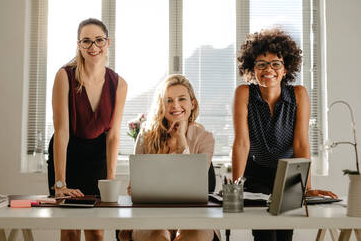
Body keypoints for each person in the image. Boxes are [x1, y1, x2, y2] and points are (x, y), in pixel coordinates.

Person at [232, 28, 337, 241]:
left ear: (285, 68)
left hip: (289, 173)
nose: (268, 69)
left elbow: (301, 143)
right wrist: (235, 187)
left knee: (283, 234)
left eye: (275, 64)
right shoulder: (244, 93)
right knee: (264, 235)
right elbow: (242, 143)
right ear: (252, 68)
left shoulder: (299, 94)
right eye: (261, 64)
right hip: (257, 174)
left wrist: (307, 188)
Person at [47, 18, 127, 241]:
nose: (93, 47)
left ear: (108, 42)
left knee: (96, 230)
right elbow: (61, 132)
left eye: (99, 40)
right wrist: (60, 183)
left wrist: (110, 179)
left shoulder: (119, 83)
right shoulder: (64, 76)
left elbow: (113, 136)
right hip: (68, 154)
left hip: (98, 156)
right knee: (71, 228)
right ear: (79, 45)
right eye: (87, 41)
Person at [119, 75, 220, 241]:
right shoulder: (146, 137)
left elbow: (194, 185)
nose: (176, 105)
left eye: (182, 99)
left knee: (192, 236)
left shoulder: (205, 138)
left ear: (192, 103)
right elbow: (133, 189)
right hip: (151, 215)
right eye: (169, 100)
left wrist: (181, 141)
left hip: (194, 216)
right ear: (162, 105)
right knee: (158, 236)